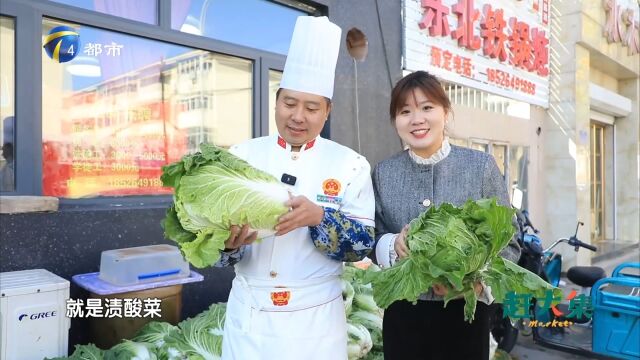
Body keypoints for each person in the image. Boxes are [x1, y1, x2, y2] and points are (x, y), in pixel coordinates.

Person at [214, 16, 375, 360]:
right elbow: (216, 246)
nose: (298, 116)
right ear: (277, 101)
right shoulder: (242, 156)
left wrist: (319, 217)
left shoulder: (350, 164)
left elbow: (362, 245)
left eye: (312, 107)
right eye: (289, 103)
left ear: (327, 111)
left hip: (315, 321)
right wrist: (227, 247)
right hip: (250, 315)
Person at [372, 71, 520, 360]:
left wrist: (475, 283)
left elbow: (510, 243)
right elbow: (373, 238)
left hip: (464, 315)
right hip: (403, 315)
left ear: (446, 112)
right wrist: (392, 244)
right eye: (405, 111)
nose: (417, 119)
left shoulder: (480, 167)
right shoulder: (384, 172)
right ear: (395, 121)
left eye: (427, 108)